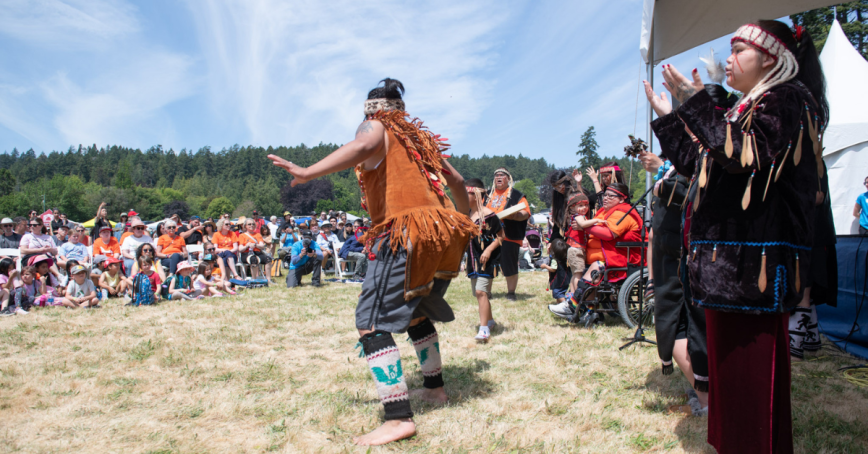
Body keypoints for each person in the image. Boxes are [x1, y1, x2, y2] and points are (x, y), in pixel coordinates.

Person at [646, 19, 829, 453]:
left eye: (738, 50)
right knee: (731, 391)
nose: (727, 60)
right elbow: (698, 164)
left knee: (749, 392)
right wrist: (672, 117)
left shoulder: (787, 99)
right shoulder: (746, 108)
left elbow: (744, 156)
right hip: (728, 273)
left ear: (771, 58)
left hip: (752, 274)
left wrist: (694, 104)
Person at [267, 78, 475, 446]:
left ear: (372, 111)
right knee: (415, 312)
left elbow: (363, 144)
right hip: (440, 232)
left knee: (371, 322)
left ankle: (398, 418)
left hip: (404, 231)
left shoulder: (376, 125)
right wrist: (466, 219)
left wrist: (307, 172)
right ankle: (435, 389)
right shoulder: (418, 139)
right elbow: (457, 181)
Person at [551, 183, 643, 324]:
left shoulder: (624, 213)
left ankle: (572, 305)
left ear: (621, 199)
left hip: (622, 258)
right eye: (605, 195)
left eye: (610, 196)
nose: (605, 198)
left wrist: (584, 227)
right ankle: (588, 312)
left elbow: (608, 234)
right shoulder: (604, 211)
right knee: (585, 271)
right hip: (603, 256)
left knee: (596, 268)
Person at [464, 178, 503, 343]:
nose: (464, 196)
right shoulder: (466, 215)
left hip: (488, 260)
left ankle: (484, 329)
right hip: (473, 260)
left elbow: (501, 236)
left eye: (467, 193)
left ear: (477, 195)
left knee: (481, 292)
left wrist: (488, 249)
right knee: (479, 294)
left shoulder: (489, 215)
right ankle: (490, 321)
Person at [485, 168, 530, 301]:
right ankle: (487, 292)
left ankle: (511, 292)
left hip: (508, 235)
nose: (498, 177)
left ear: (508, 178)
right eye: (496, 175)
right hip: (489, 235)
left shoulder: (517, 195)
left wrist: (514, 215)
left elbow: (525, 213)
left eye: (502, 175)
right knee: (488, 264)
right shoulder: (487, 194)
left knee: (509, 265)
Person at [540, 238, 571, 305]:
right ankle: (559, 304)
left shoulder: (554, 259)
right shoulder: (564, 257)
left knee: (557, 293)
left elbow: (553, 269)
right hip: (565, 279)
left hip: (558, 280)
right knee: (561, 292)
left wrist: (545, 266)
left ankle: (566, 305)